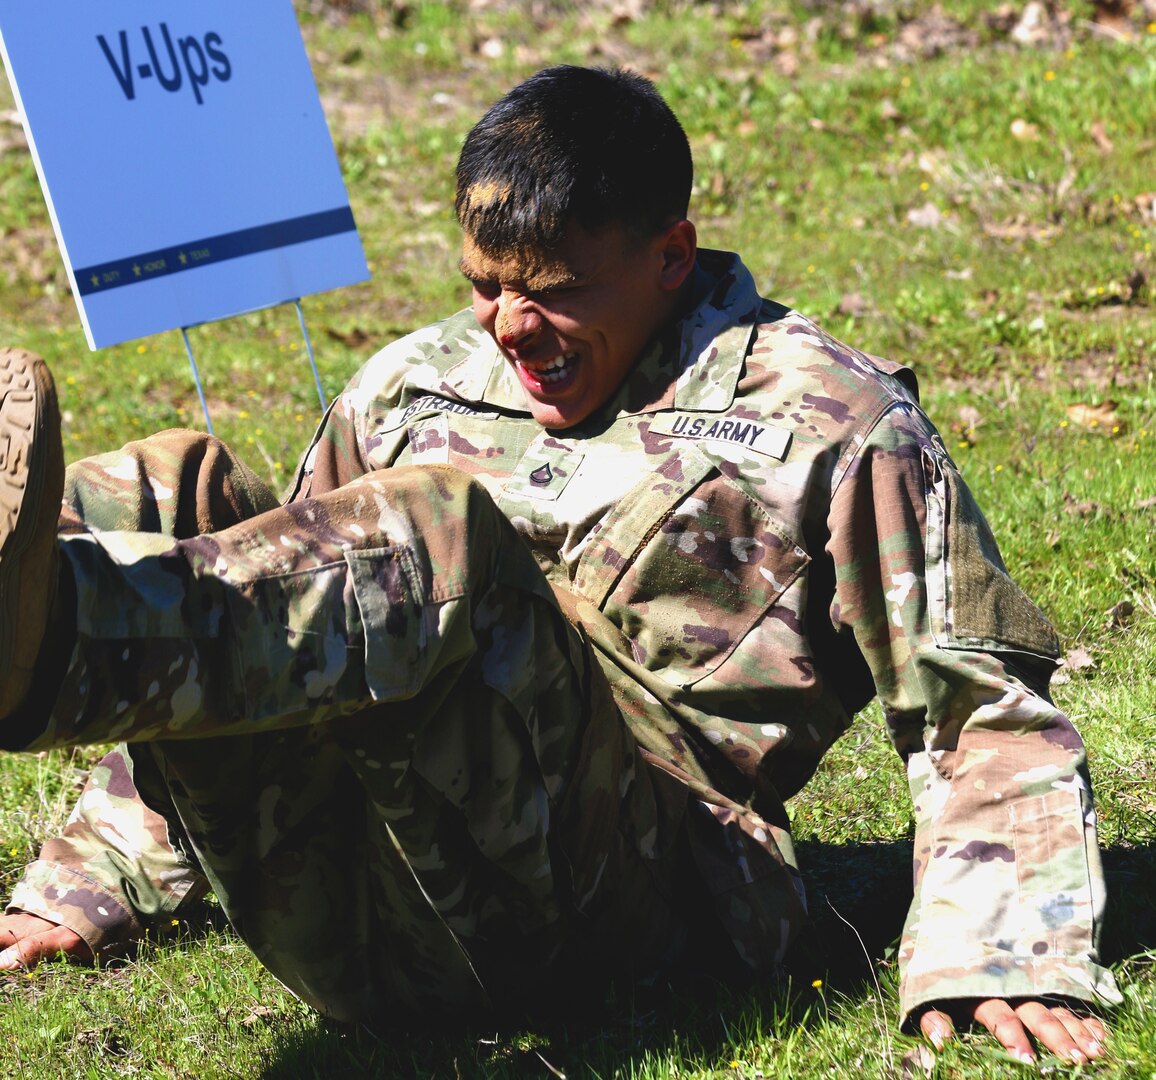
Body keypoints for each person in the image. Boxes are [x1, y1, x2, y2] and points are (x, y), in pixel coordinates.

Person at [0, 65, 1119, 1064]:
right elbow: (248, 620)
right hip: (366, 886)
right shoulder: (410, 383)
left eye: (554, 289)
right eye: (486, 285)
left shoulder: (835, 420)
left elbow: (978, 707)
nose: (509, 326)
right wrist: (86, 880)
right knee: (168, 492)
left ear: (670, 255)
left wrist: (1002, 951)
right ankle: (29, 639)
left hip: (629, 909)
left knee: (434, 537)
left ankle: (40, 644)